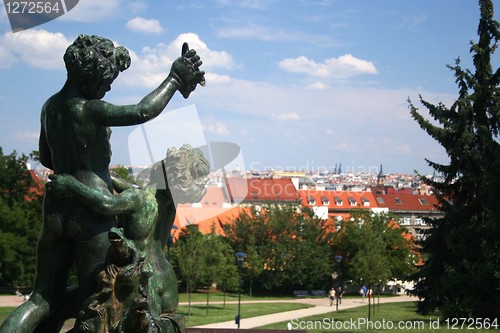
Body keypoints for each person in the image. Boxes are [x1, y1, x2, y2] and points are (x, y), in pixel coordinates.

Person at [0, 34, 205, 333]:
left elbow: (46, 157)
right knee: (97, 297)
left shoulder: (50, 107)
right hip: (91, 217)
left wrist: (74, 174)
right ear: (92, 77)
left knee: (43, 298)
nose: (109, 88)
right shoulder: (90, 108)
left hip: (56, 210)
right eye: (108, 81)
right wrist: (174, 79)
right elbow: (142, 111)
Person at [47, 144, 210, 332]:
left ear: (165, 171)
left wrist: (72, 185)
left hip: (144, 278)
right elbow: (139, 191)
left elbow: (106, 204)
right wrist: (110, 177)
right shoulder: (169, 203)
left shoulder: (139, 199)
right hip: (166, 279)